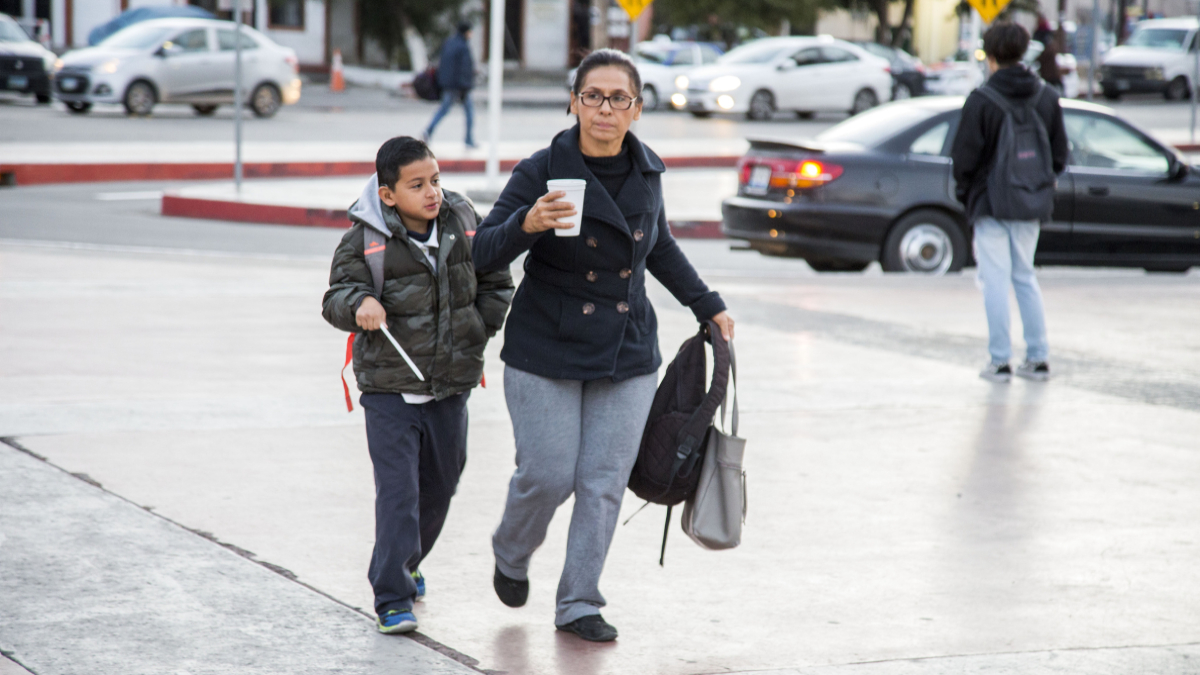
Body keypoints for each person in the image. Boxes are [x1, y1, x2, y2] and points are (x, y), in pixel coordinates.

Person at [471, 49, 735, 643]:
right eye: (593, 96)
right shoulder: (540, 170)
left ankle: (579, 601)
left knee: (603, 479)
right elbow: (482, 250)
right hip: (546, 344)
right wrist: (527, 226)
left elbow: (658, 246)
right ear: (573, 101)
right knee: (548, 474)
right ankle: (511, 552)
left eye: (620, 98)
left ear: (637, 110)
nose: (605, 109)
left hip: (627, 349)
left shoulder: (648, 173)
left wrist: (706, 303)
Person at [321, 137, 513, 634]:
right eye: (417, 185)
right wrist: (358, 301)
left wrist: (477, 330)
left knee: (442, 485)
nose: (432, 193)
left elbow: (496, 281)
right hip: (389, 390)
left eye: (435, 180)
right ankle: (391, 596)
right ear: (388, 194)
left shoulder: (464, 221)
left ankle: (408, 559)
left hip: (451, 385)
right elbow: (335, 296)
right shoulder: (365, 238)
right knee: (399, 493)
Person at [950, 22, 1068, 383]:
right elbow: (1060, 155)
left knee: (994, 281)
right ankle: (1038, 356)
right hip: (1031, 201)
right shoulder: (1046, 96)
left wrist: (967, 194)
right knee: (1025, 277)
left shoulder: (982, 99)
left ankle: (1000, 361)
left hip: (990, 203)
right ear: (1024, 51)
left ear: (990, 55)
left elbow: (964, 159)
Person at [424, 22, 476, 147]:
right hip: (460, 86)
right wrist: (465, 86)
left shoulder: (449, 42)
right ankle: (468, 139)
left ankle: (428, 131)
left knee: (443, 110)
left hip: (448, 84)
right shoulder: (462, 46)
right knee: (469, 111)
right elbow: (464, 68)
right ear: (466, 32)